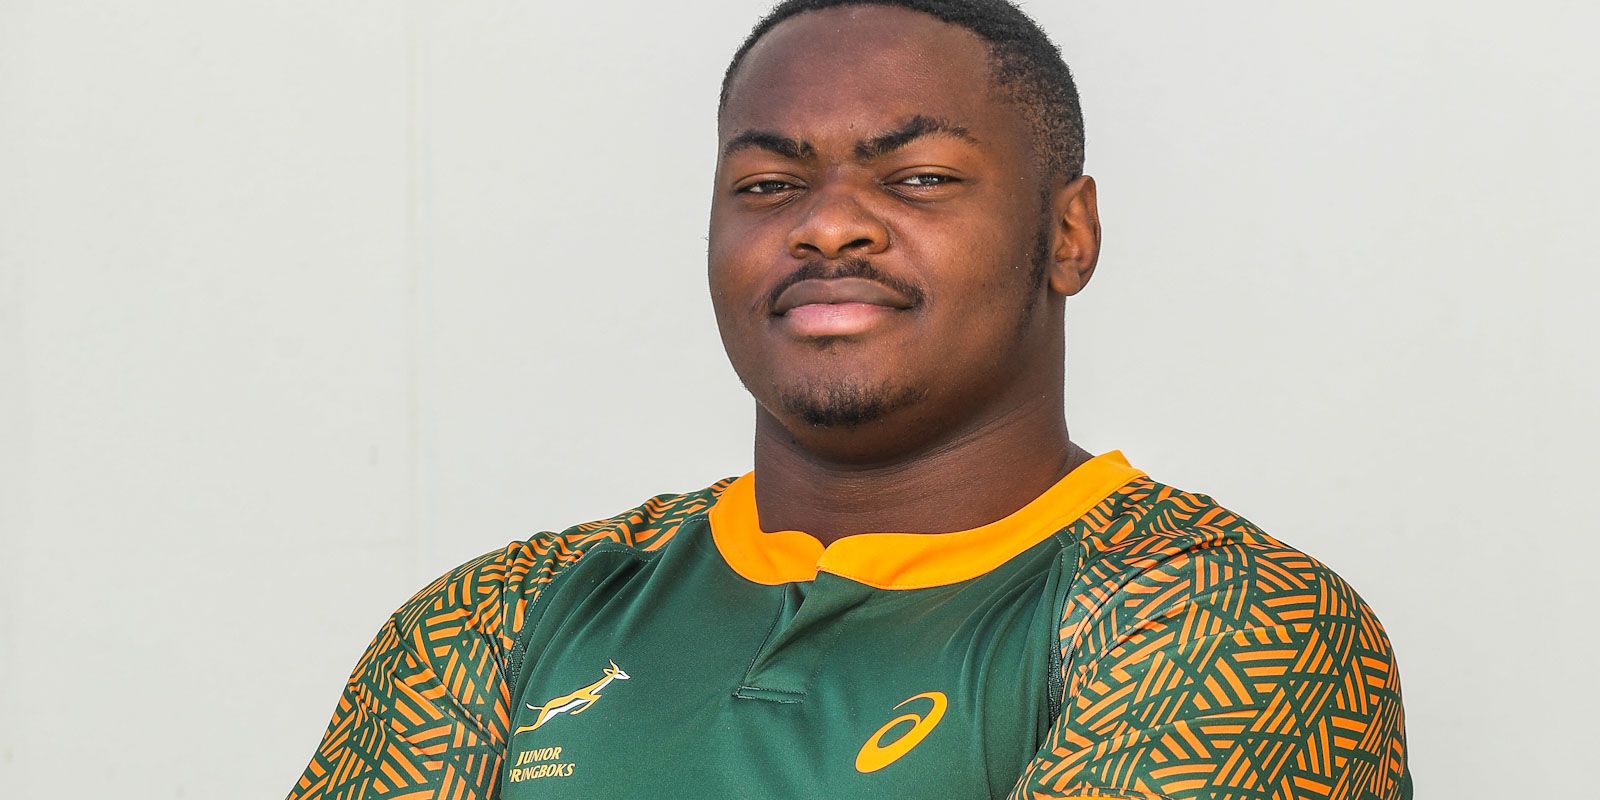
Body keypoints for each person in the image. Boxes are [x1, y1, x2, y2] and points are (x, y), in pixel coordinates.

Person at [289, 1, 1410, 797]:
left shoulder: (1230, 620)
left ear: (1068, 233)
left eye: (918, 177)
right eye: (768, 184)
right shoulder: (497, 616)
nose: (826, 224)